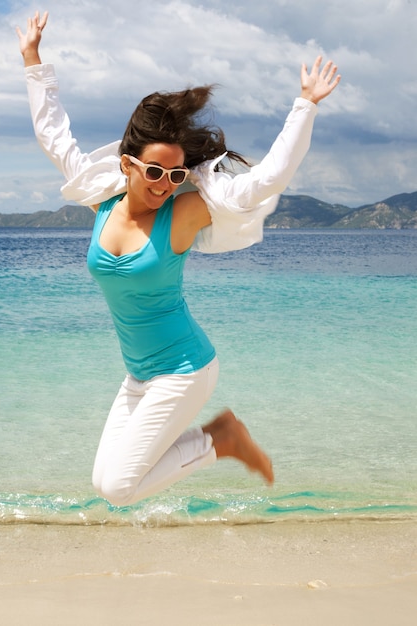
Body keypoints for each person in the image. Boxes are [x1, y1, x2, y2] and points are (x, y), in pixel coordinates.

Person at [17, 12, 340, 507]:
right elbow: (55, 137)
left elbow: (265, 182)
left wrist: (305, 106)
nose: (164, 186)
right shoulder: (101, 200)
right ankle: (221, 438)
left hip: (184, 368)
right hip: (139, 373)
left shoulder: (184, 213)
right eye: (153, 172)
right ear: (127, 164)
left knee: (122, 490)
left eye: (174, 175)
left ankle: (223, 440)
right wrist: (33, 60)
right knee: (105, 485)